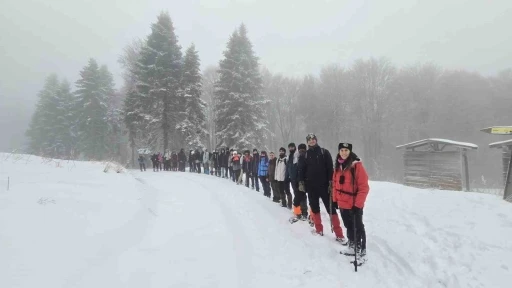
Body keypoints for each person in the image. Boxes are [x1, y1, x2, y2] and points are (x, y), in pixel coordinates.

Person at [298, 133, 346, 243]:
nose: (311, 141)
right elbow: (301, 170)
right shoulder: (304, 155)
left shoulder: (324, 152)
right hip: (311, 187)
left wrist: (331, 182)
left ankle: (339, 234)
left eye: (313, 139)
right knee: (314, 208)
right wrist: (301, 182)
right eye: (309, 140)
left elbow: (330, 168)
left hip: (325, 186)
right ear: (307, 142)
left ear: (316, 140)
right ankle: (319, 229)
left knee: (331, 209)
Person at [333, 143, 369, 258]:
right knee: (348, 226)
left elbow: (364, 187)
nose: (344, 153)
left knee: (357, 226)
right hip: (342, 203)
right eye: (342, 150)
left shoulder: (356, 166)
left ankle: (360, 248)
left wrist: (358, 205)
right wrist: (334, 200)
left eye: (346, 150)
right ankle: (352, 245)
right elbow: (334, 184)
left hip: (354, 204)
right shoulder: (338, 165)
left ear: (350, 152)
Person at [289, 143, 309, 221]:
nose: (302, 151)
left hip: (305, 181)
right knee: (297, 198)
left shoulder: (307, 157)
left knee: (303, 198)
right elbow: (294, 169)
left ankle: (304, 213)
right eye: (300, 149)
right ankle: (298, 213)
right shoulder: (296, 157)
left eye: (303, 149)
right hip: (297, 180)